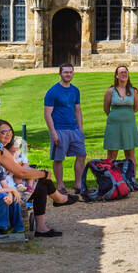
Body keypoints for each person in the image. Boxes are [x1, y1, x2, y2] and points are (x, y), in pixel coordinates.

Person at [0, 119, 68, 238]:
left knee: (40, 183)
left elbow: (20, 170)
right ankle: (58, 202)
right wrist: (43, 174)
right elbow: (21, 173)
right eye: (4, 132)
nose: (8, 134)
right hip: (0, 195)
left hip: (3, 190)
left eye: (10, 131)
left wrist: (39, 174)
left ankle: (56, 204)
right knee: (42, 183)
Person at [44, 63, 86, 197]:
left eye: (70, 72)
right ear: (60, 73)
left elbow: (77, 110)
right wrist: (53, 132)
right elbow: (47, 114)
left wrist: (80, 129)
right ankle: (61, 186)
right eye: (65, 72)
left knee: (82, 155)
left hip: (74, 129)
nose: (68, 74)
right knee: (58, 158)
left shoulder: (75, 90)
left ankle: (78, 185)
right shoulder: (53, 92)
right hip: (59, 129)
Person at [102, 65, 138, 173]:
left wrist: (125, 116)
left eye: (125, 72)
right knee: (112, 155)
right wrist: (116, 117)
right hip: (113, 126)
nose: (124, 74)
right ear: (116, 76)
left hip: (129, 125)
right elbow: (106, 109)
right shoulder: (110, 91)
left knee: (130, 154)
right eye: (121, 72)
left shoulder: (134, 91)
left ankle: (132, 178)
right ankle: (112, 180)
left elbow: (136, 108)